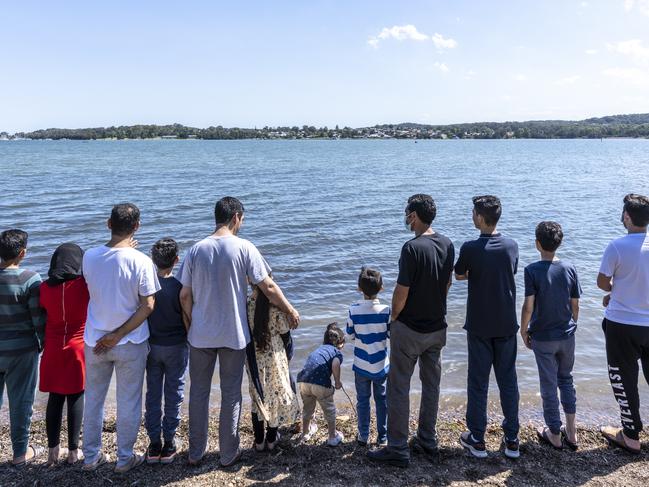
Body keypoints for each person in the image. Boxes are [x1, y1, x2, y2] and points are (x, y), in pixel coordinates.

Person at [178, 196, 299, 467]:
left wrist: (189, 325)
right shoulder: (244, 247)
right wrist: (290, 310)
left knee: (198, 392)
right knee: (231, 394)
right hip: (233, 334)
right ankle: (227, 454)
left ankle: (196, 453)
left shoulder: (196, 249)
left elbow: (185, 294)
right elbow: (267, 286)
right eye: (242, 219)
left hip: (200, 335)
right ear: (236, 218)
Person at [368, 194, 454, 468]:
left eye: (407, 213)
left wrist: (394, 318)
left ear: (414, 215)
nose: (405, 217)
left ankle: (397, 448)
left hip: (410, 328)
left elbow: (401, 292)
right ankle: (427, 439)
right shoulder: (447, 244)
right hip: (437, 327)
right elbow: (447, 284)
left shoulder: (411, 248)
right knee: (431, 386)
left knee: (399, 387)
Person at [81, 203, 160, 474]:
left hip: (94, 340)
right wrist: (118, 335)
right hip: (130, 341)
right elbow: (148, 305)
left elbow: (103, 279)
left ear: (108, 224)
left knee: (93, 399)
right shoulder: (142, 261)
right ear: (137, 226)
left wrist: (110, 336)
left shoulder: (88, 257)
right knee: (128, 401)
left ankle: (90, 456)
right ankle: (124, 458)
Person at [454, 195, 521, 459]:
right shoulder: (511, 246)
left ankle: (477, 438)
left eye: (473, 212)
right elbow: (511, 270)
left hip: (480, 325)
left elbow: (459, 274)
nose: (471, 215)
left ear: (480, 218)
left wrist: (476, 273)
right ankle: (512, 439)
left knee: (478, 382)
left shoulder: (470, 248)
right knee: (508, 382)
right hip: (506, 324)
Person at [520, 222, 581, 450]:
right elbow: (575, 304)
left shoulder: (532, 270)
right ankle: (572, 431)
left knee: (548, 384)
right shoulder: (570, 268)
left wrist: (523, 329)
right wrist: (573, 323)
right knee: (566, 380)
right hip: (566, 335)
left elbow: (528, 306)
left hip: (543, 338)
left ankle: (554, 433)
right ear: (560, 243)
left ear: (537, 244)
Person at [598, 193, 649, 454]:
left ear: (627, 217)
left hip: (622, 323)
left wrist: (614, 290)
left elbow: (602, 282)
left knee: (624, 379)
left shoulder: (617, 246)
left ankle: (630, 437)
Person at [39, 243, 89, 465]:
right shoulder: (83, 286)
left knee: (55, 398)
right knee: (76, 395)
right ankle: (73, 452)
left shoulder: (43, 289)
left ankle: (52, 452)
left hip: (52, 348)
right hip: (77, 346)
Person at [0, 229, 45, 467]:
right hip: (21, 351)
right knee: (21, 402)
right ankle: (19, 453)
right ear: (22, 253)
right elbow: (38, 319)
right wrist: (42, 344)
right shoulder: (30, 279)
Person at [144, 238, 188, 465]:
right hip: (176, 345)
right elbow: (186, 316)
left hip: (152, 347)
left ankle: (154, 444)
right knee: (174, 393)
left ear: (153, 260)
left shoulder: (148, 286)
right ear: (177, 260)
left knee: (153, 394)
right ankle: (169, 441)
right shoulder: (180, 287)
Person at [247, 279, 300, 451]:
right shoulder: (275, 307)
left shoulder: (247, 304)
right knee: (274, 397)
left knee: (258, 398)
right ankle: (271, 440)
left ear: (251, 282)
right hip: (275, 358)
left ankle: (259, 442)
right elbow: (285, 333)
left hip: (254, 358)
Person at [346, 267, 390, 447]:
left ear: (359, 288)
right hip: (381, 364)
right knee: (382, 400)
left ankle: (363, 435)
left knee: (362, 401)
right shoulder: (387, 310)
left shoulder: (354, 309)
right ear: (381, 288)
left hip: (361, 365)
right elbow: (390, 334)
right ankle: (383, 436)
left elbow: (349, 335)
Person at [297, 322, 345, 447]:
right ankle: (332, 437)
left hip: (304, 381)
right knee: (329, 409)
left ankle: (306, 432)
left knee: (307, 408)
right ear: (340, 343)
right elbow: (335, 363)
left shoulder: (319, 350)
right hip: (320, 384)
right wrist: (337, 382)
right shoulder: (336, 352)